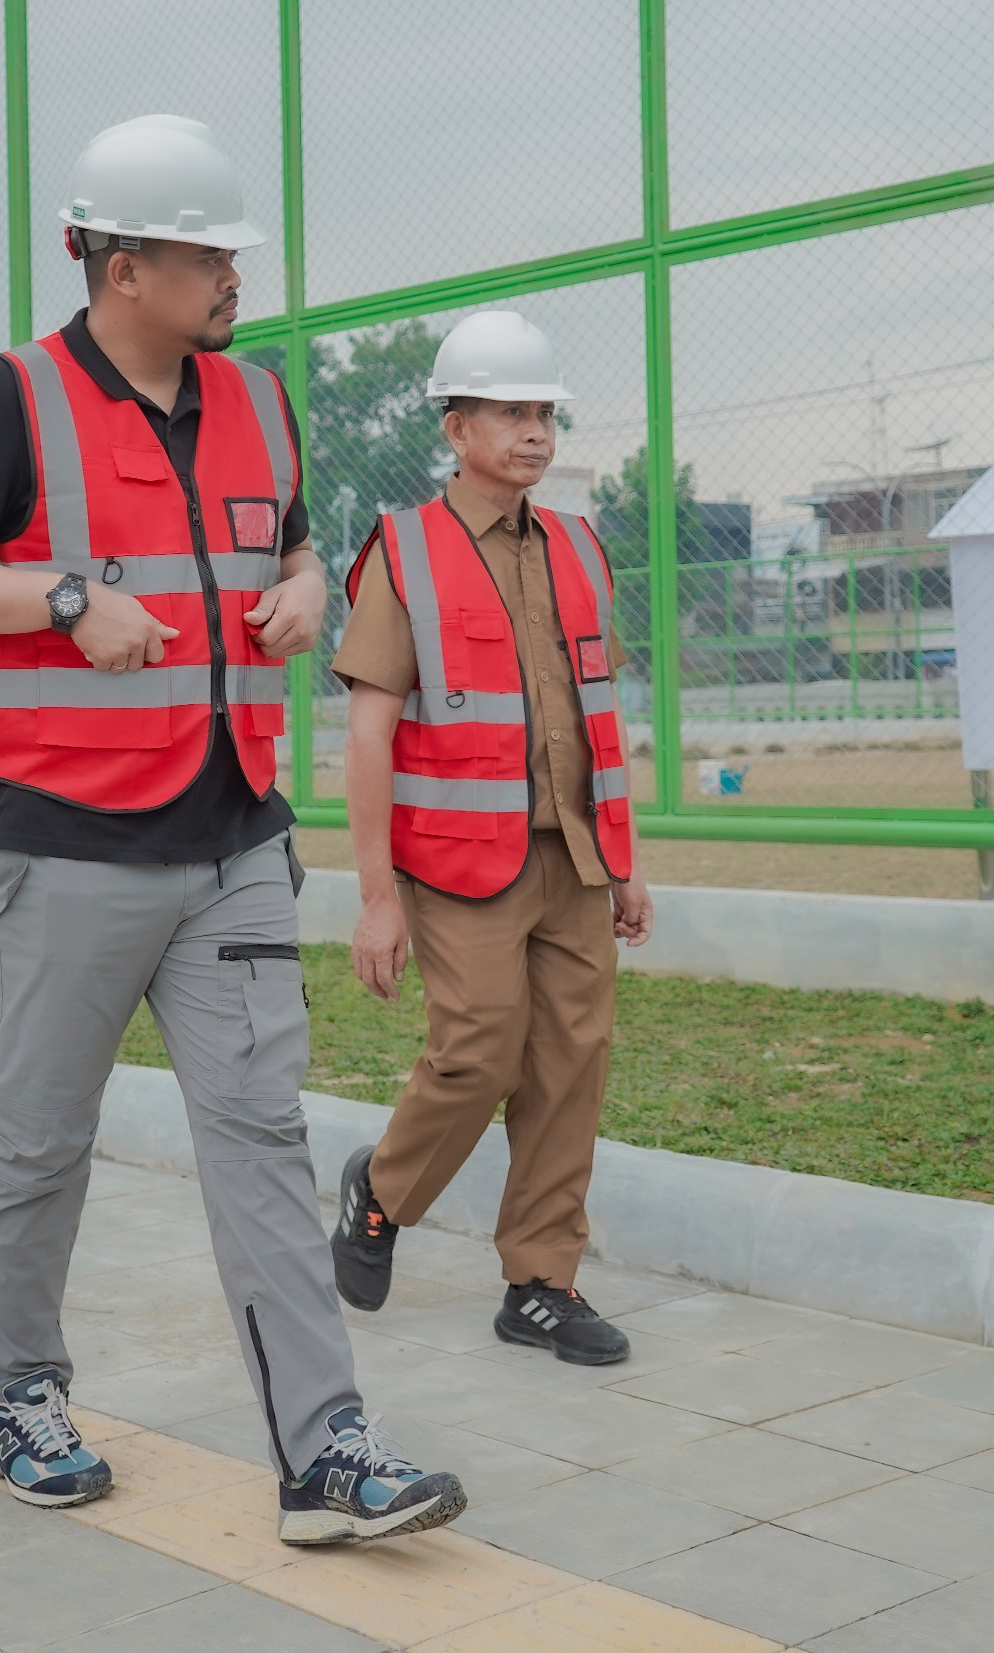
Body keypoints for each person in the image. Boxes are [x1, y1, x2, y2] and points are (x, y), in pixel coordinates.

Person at [0, 114, 465, 1544]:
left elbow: (290, 540)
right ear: (121, 264)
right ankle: (17, 1391)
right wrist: (62, 597)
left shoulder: (259, 398)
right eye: (207, 253)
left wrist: (313, 580)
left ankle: (325, 1453)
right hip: (64, 840)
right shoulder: (8, 400)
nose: (232, 274)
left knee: (259, 1135)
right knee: (42, 1134)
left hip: (235, 834)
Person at [325, 311, 655, 1365]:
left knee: (570, 1059)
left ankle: (541, 1282)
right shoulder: (404, 551)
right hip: (458, 862)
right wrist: (376, 896)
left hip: (572, 856)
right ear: (455, 426)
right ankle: (379, 1188)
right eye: (510, 412)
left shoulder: (578, 545)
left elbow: (596, 714)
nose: (533, 432)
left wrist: (622, 862)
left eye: (543, 413)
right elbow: (368, 734)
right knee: (475, 1050)